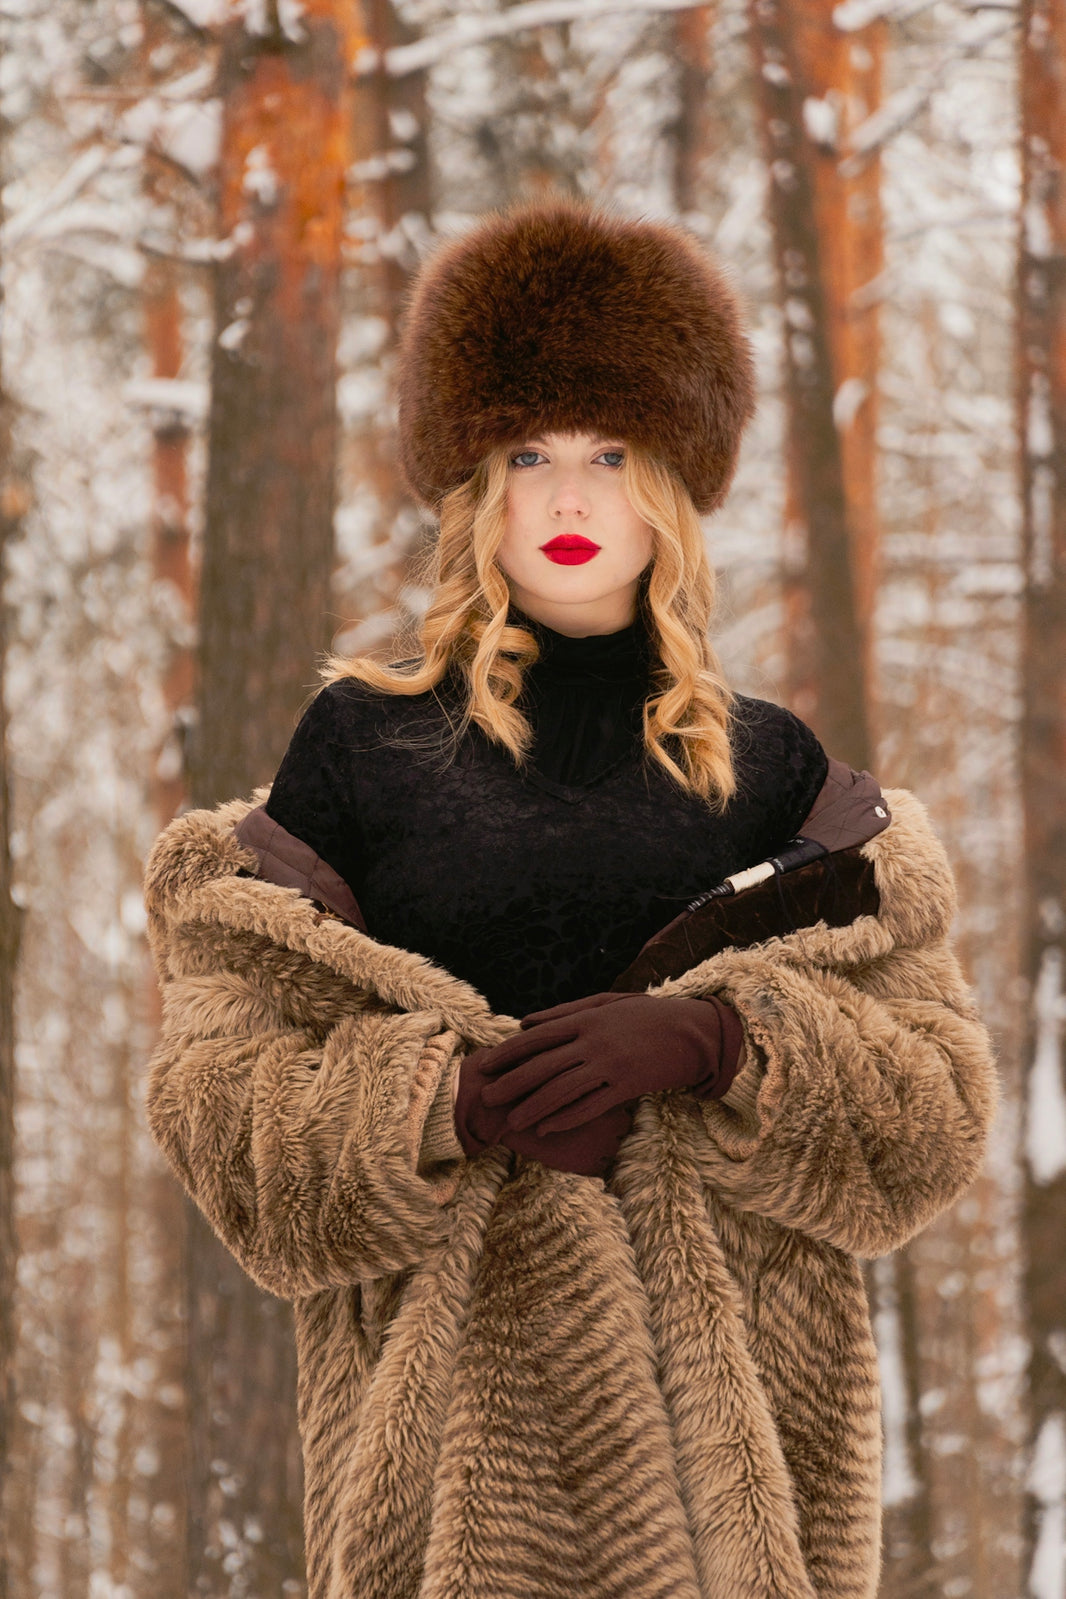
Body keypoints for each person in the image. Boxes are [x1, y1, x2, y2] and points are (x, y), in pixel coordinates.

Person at [143, 198, 998, 1599]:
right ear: (474, 484)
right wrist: (445, 1106)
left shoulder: (782, 774)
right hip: (445, 1477)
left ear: (670, 480)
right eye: (527, 456)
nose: (567, 500)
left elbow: (932, 1117)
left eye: (609, 454)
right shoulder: (360, 749)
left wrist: (725, 1046)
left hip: (728, 1483)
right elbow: (220, 1109)